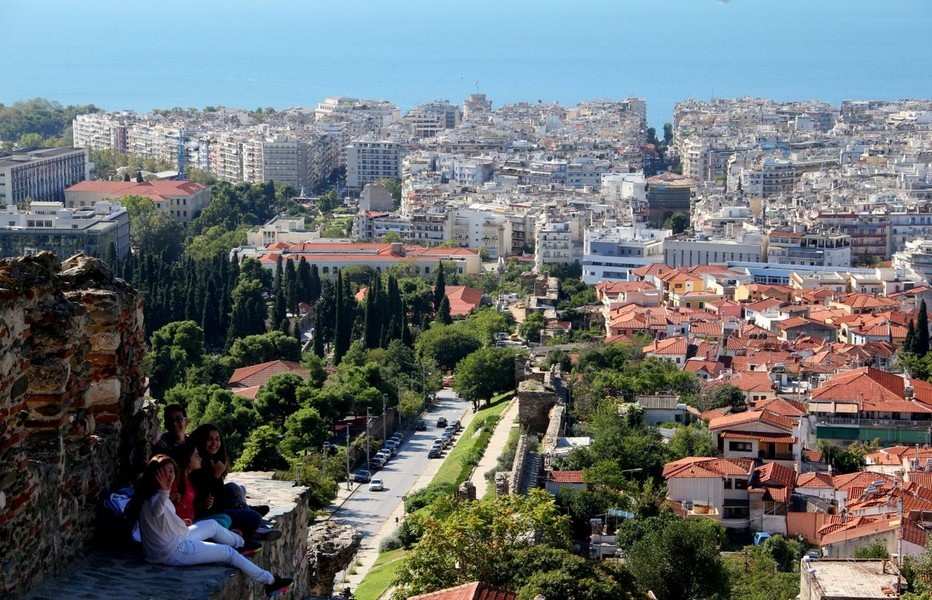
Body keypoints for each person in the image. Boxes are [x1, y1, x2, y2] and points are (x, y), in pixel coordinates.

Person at [126, 455, 293, 597]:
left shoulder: (146, 494)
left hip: (170, 541)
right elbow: (156, 511)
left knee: (211, 525)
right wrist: (164, 491)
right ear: (154, 475)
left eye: (171, 471)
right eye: (164, 472)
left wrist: (178, 522)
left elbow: (160, 520)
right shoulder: (158, 496)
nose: (169, 476)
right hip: (172, 552)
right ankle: (270, 581)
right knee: (228, 554)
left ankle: (241, 543)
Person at [190, 424, 278, 541]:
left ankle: (246, 510)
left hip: (215, 504)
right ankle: (252, 526)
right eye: (209, 439)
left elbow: (217, 492)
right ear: (201, 441)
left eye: (217, 439)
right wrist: (216, 476)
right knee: (255, 518)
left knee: (234, 488)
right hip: (207, 512)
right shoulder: (197, 463)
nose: (214, 443)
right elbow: (208, 496)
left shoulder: (212, 460)